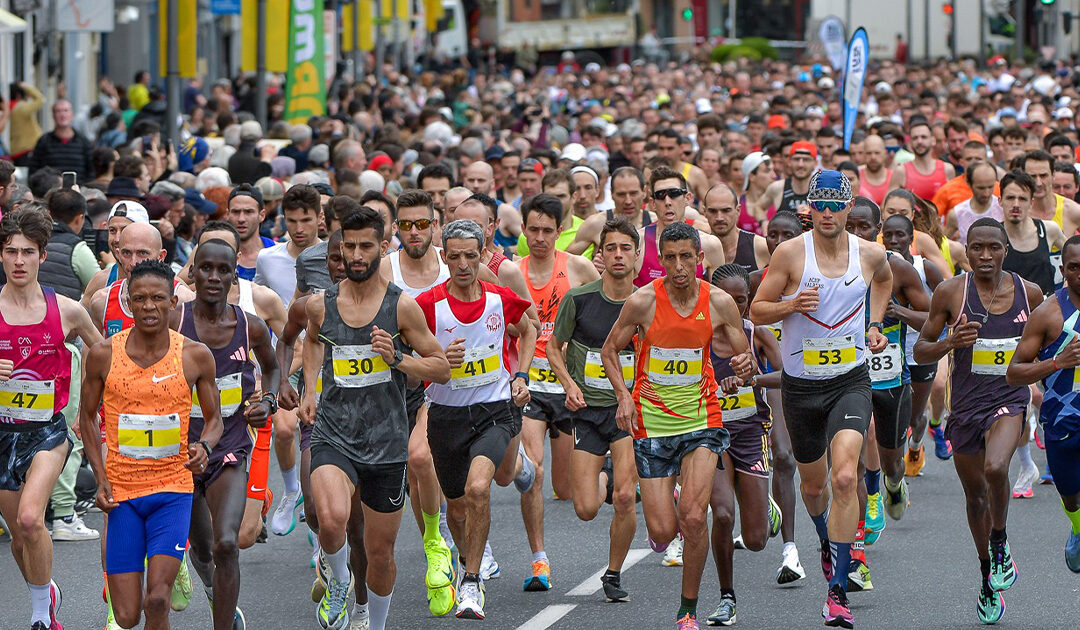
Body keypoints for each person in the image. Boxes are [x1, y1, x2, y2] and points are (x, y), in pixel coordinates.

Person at [750, 170, 892, 629]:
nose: (828, 213)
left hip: (850, 380)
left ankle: (837, 592)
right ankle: (826, 544)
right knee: (814, 487)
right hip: (801, 386)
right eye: (820, 205)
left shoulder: (870, 254)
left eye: (837, 205)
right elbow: (756, 309)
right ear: (809, 207)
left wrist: (874, 325)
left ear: (850, 208)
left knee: (846, 476)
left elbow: (885, 281)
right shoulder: (791, 253)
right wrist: (791, 305)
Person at [299, 207, 451, 630]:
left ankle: (376, 624)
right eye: (349, 245)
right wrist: (310, 387)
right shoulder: (320, 306)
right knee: (329, 520)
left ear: (384, 247)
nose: (357, 254)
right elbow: (311, 342)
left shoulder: (401, 308)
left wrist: (397, 357)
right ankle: (340, 580)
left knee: (380, 553)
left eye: (367, 245)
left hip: (386, 442)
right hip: (334, 433)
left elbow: (440, 367)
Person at [601, 221, 754, 629]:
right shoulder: (642, 302)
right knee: (665, 531)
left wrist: (744, 365)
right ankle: (663, 521)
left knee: (692, 516)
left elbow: (747, 361)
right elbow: (610, 350)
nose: (679, 266)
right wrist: (621, 396)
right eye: (670, 258)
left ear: (700, 259)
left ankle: (688, 610)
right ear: (660, 260)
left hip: (703, 417)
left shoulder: (719, 302)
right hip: (651, 421)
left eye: (687, 256)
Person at [79, 259, 224, 630]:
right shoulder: (103, 355)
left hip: (173, 490)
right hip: (123, 493)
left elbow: (214, 421)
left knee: (156, 599)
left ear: (173, 302)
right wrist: (100, 477)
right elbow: (87, 419)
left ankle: (169, 566)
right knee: (127, 617)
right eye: (139, 298)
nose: (148, 307)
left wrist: (204, 448)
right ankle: (166, 566)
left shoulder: (194, 355)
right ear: (127, 301)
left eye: (158, 298)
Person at [914, 217, 1042, 624]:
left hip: (1009, 399)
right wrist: (949, 342)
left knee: (996, 466)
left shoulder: (1030, 293)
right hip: (965, 407)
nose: (985, 256)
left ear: (1006, 250)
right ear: (965, 251)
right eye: (977, 248)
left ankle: (1000, 540)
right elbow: (920, 351)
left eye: (994, 248)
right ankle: (988, 575)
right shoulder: (951, 292)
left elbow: (1047, 344)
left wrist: (1040, 379)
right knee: (975, 498)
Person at [415, 219, 537, 620]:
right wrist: (435, 363)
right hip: (446, 417)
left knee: (478, 487)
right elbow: (405, 362)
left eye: (471, 255)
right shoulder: (427, 305)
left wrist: (521, 374)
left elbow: (529, 329)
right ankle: (468, 559)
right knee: (458, 505)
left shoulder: (500, 299)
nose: (464, 264)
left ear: (482, 253)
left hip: (495, 411)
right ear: (444, 258)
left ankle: (470, 581)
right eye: (455, 257)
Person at [0, 208, 102, 630]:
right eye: (10, 251)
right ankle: (46, 590)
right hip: (2, 433)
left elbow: (103, 356)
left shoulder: (67, 310)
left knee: (30, 518)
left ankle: (42, 616)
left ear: (43, 255)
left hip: (47, 432)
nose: (19, 260)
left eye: (27, 252)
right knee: (19, 539)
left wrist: (89, 411)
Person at [170, 237, 280, 629]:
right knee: (202, 550)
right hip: (180, 452)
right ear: (193, 272)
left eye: (223, 270)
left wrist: (268, 401)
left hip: (230, 447)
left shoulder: (249, 325)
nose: (213, 277)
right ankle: (219, 595)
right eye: (206, 268)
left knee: (227, 544)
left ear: (234, 275)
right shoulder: (174, 322)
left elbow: (271, 366)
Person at [546, 217, 640, 604]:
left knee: (624, 498)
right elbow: (554, 346)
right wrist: (569, 384)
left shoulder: (646, 301)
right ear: (600, 253)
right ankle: (603, 474)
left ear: (636, 255)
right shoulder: (579, 298)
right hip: (586, 412)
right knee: (584, 508)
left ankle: (613, 574)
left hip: (628, 414)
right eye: (611, 248)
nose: (618, 256)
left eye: (625, 249)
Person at [516, 193, 601, 590]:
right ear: (523, 229)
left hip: (570, 384)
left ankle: (611, 476)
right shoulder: (512, 273)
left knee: (568, 492)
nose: (540, 238)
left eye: (548, 230)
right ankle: (539, 561)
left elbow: (607, 312)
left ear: (560, 230)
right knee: (532, 472)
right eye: (533, 229)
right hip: (529, 385)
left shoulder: (579, 267)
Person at [379, 190, 458, 615]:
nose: (413, 232)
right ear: (395, 229)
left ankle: (440, 539)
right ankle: (435, 542)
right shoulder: (383, 269)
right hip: (399, 384)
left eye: (421, 224)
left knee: (424, 460)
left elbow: (498, 313)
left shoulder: (456, 264)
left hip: (455, 384)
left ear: (435, 225)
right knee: (413, 465)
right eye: (405, 225)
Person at [844, 197, 931, 564]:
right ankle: (871, 501)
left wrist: (899, 311)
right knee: (857, 449)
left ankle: (893, 482)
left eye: (864, 227)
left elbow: (932, 317)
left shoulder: (897, 268)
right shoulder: (824, 266)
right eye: (851, 225)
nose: (856, 233)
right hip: (846, 375)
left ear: (876, 231)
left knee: (893, 457)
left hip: (889, 375)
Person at [704, 264, 785, 626]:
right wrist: (712, 389)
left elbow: (789, 376)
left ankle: (766, 506)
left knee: (755, 540)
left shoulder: (758, 334)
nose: (735, 308)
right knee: (722, 514)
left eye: (742, 300)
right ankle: (726, 597)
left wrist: (755, 380)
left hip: (751, 434)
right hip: (711, 434)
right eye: (727, 300)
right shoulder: (696, 337)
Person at [1007, 234, 1080, 575]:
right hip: (1063, 421)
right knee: (1070, 497)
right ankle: (1077, 527)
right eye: (1075, 267)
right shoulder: (1048, 314)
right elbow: (1014, 373)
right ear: (1063, 270)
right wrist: (1056, 363)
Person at [635, 166, 725, 287]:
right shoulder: (638, 243)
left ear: (687, 198)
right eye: (660, 195)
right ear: (652, 203)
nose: (667, 202)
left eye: (674, 194)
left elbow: (720, 298)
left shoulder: (709, 244)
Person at [701, 184, 770, 273]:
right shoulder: (698, 249)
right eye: (713, 211)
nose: (719, 218)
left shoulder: (760, 247)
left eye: (726, 210)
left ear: (738, 210)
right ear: (704, 212)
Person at [893, 118, 955, 201]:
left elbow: (953, 203)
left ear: (933, 140)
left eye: (924, 137)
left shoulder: (947, 169)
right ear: (910, 143)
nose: (919, 141)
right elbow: (889, 206)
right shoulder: (901, 171)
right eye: (915, 138)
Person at [945, 162, 1002, 245]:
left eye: (990, 187)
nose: (986, 193)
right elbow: (943, 245)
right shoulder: (957, 214)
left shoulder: (1003, 208)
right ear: (969, 184)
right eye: (981, 188)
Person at [760, 141, 816, 215]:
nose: (800, 164)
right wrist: (763, 222)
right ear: (789, 161)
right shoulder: (777, 187)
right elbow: (757, 208)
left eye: (806, 160)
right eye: (796, 159)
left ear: (815, 163)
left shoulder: (821, 190)